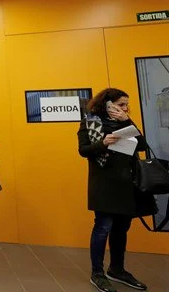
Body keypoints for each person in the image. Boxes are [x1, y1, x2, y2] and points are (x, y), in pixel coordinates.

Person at [78, 88, 156, 292]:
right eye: (120, 105)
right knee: (103, 227)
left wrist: (127, 120)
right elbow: (83, 150)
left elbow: (142, 146)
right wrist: (102, 143)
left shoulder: (126, 122)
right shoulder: (90, 122)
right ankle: (97, 273)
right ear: (107, 104)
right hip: (103, 184)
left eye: (126, 105)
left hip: (126, 183)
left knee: (121, 229)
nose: (124, 108)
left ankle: (117, 269)